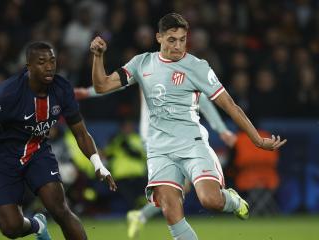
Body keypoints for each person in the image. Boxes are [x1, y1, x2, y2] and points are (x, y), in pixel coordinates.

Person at [90, 13, 286, 240]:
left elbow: (230, 105)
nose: (178, 45)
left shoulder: (197, 66)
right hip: (159, 149)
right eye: (172, 40)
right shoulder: (142, 63)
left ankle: (231, 199)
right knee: (170, 209)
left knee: (210, 200)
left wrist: (258, 140)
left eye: (182, 39)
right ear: (159, 38)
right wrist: (98, 57)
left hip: (192, 144)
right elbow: (102, 86)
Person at [0, 41, 117, 240]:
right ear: (29, 66)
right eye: (42, 62)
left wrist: (98, 164)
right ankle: (38, 226)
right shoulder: (9, 93)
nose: (49, 66)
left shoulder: (62, 89)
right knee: (11, 227)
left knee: (60, 209)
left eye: (52, 61)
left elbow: (80, 132)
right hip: (3, 159)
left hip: (37, 152)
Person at [75, 85, 237, 239]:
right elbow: (111, 83)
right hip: (160, 141)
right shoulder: (148, 68)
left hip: (161, 140)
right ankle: (142, 215)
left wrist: (86, 92)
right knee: (177, 192)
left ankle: (140, 216)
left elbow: (111, 84)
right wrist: (87, 92)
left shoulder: (177, 73)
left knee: (176, 192)